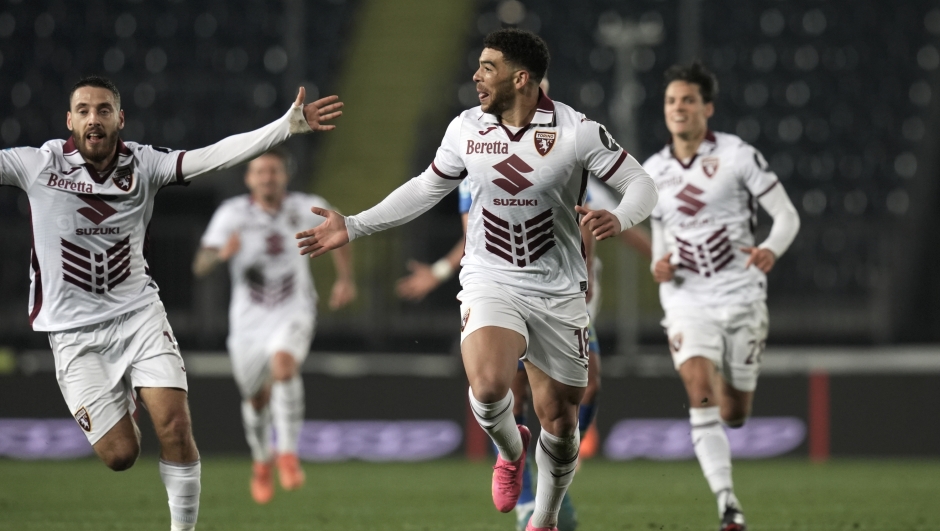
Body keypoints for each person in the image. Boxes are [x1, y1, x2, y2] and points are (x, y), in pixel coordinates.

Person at [296, 29, 658, 531]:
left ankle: (546, 519)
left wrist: (619, 218)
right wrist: (354, 225)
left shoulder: (578, 132)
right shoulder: (465, 129)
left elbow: (640, 183)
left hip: (557, 290)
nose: (476, 75)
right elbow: (425, 189)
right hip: (492, 278)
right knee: (488, 388)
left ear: (521, 77)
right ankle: (511, 453)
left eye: (488, 66)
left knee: (561, 421)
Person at [0, 75, 342, 531]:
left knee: (177, 428)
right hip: (73, 333)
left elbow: (214, 156)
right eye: (83, 110)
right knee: (121, 455)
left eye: (103, 109)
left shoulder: (144, 164)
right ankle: (124, 400)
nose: (93, 119)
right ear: (70, 120)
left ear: (120, 118)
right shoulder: (37, 165)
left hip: (137, 315)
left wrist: (284, 126)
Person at [395, 175, 651, 531]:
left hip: (567, 298)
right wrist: (440, 271)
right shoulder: (478, 161)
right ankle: (526, 499)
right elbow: (476, 235)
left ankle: (559, 470)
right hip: (510, 295)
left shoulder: (570, 159)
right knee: (513, 390)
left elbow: (607, 218)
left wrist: (656, 258)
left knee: (587, 387)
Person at [645, 62, 800, 531]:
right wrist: (661, 265)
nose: (678, 108)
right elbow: (660, 239)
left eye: (688, 100)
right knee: (698, 388)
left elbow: (787, 216)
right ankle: (728, 505)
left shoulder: (737, 155)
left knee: (734, 413)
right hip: (687, 297)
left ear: (706, 108)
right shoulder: (653, 171)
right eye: (672, 101)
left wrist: (770, 249)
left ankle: (728, 473)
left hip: (740, 293)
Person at [192, 148, 356, 503]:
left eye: (274, 171)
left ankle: (288, 455)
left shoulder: (306, 207)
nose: (267, 177)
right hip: (248, 321)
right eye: (260, 171)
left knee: (284, 366)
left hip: (293, 308)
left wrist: (345, 278)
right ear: (249, 178)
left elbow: (342, 228)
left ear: (285, 175)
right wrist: (222, 254)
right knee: (256, 397)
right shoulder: (232, 213)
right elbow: (200, 266)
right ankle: (261, 461)